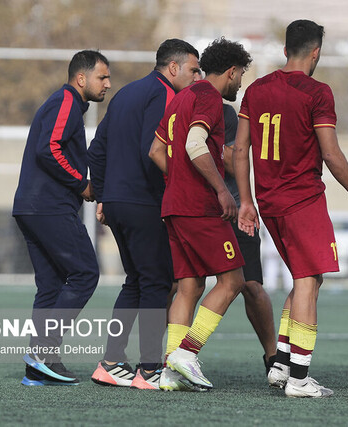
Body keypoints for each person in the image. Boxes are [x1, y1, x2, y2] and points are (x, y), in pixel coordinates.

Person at [234, 20, 348, 398]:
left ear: (285, 51)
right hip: (302, 200)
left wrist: (246, 200)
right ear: (316, 53)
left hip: (269, 201)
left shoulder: (257, 89)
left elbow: (239, 148)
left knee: (303, 278)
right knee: (308, 283)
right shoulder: (317, 92)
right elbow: (330, 152)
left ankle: (281, 363)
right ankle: (299, 379)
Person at [88, 39, 201, 391]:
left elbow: (96, 150)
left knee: (136, 281)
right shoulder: (166, 96)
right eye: (193, 70)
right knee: (157, 282)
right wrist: (175, 192)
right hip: (143, 202)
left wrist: (105, 196)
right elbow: (152, 151)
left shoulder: (124, 95)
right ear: (173, 68)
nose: (197, 77)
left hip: (119, 203)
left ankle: (110, 362)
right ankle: (150, 369)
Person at [149, 37, 252, 390]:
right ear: (232, 71)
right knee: (233, 280)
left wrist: (177, 181)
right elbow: (195, 143)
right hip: (199, 207)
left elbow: (156, 150)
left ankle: (168, 371)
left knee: (189, 287)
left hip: (174, 206)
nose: (240, 83)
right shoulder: (208, 96)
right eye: (241, 76)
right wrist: (221, 189)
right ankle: (187, 353)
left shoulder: (180, 98)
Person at [12, 50, 111, 386]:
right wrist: (80, 183)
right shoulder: (66, 100)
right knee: (85, 273)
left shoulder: (68, 104)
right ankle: (43, 351)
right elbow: (49, 148)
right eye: (102, 77)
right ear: (81, 78)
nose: (107, 84)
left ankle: (38, 368)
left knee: (51, 285)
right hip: (47, 207)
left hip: (31, 206)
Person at [222, 103, 277, 374]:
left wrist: (207, 148)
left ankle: (273, 357)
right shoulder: (176, 109)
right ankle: (161, 359)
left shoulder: (226, 114)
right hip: (194, 214)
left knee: (252, 286)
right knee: (180, 286)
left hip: (234, 213)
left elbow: (235, 164)